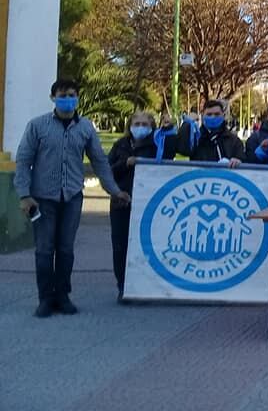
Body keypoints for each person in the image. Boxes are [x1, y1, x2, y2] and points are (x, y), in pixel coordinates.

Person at [14, 79, 132, 317]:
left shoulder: (86, 128)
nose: (67, 99)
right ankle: (45, 298)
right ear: (53, 98)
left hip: (72, 196)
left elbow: (99, 161)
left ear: (78, 98)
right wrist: (24, 195)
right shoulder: (37, 126)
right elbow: (24, 160)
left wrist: (114, 190)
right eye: (62, 95)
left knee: (66, 249)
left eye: (71, 95)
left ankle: (63, 295)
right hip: (42, 197)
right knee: (45, 249)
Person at [107, 111, 177, 300]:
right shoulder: (120, 145)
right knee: (120, 245)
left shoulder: (157, 144)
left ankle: (146, 285)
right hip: (122, 202)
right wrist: (125, 163)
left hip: (148, 203)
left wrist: (170, 130)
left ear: (152, 126)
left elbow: (170, 156)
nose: (140, 127)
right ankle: (123, 285)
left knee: (148, 243)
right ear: (129, 125)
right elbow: (107, 170)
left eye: (144, 124)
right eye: (136, 123)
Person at [178, 99, 245, 166]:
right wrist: (187, 123)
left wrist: (238, 160)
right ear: (202, 116)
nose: (213, 117)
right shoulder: (196, 139)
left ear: (223, 116)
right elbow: (182, 149)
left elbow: (242, 158)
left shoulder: (234, 141)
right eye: (209, 114)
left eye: (217, 114)